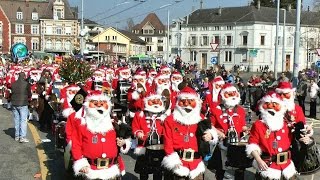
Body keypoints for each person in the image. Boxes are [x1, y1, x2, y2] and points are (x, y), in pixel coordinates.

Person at [246, 91, 311, 179]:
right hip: (268, 167)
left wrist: (305, 137)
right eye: (267, 105)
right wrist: (259, 160)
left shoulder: (287, 123)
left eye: (275, 105)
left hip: (287, 166)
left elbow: (297, 137)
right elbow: (252, 144)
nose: (271, 108)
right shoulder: (258, 125)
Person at [71, 91, 131, 180]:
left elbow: (123, 139)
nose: (99, 106)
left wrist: (123, 143)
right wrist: (81, 163)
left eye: (102, 103)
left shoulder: (114, 124)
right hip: (90, 170)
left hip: (111, 169)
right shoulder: (82, 125)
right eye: (95, 103)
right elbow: (76, 145)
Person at [161, 87, 218, 180]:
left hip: (196, 163)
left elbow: (211, 131)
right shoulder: (170, 120)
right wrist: (173, 159)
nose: (186, 105)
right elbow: (167, 141)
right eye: (183, 102)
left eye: (190, 102)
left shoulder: (200, 118)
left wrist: (211, 135)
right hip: (178, 162)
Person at [207, 83, 247, 180]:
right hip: (222, 143)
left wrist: (245, 130)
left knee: (240, 168)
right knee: (221, 169)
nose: (233, 96)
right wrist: (218, 132)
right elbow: (210, 125)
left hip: (237, 143)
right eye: (229, 94)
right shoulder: (216, 110)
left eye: (234, 94)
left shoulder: (241, 110)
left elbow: (243, 125)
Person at [132, 93, 166, 180]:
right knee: (144, 172)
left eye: (158, 102)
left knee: (158, 172)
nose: (155, 103)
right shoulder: (139, 115)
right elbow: (135, 127)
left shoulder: (164, 116)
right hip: (144, 146)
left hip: (159, 147)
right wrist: (138, 133)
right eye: (152, 102)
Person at [11, 72, 31, 143]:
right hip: (23, 103)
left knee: (16, 119)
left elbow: (11, 93)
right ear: (24, 77)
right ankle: (22, 137)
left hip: (14, 103)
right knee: (23, 120)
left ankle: (17, 136)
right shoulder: (26, 84)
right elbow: (29, 94)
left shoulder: (13, 84)